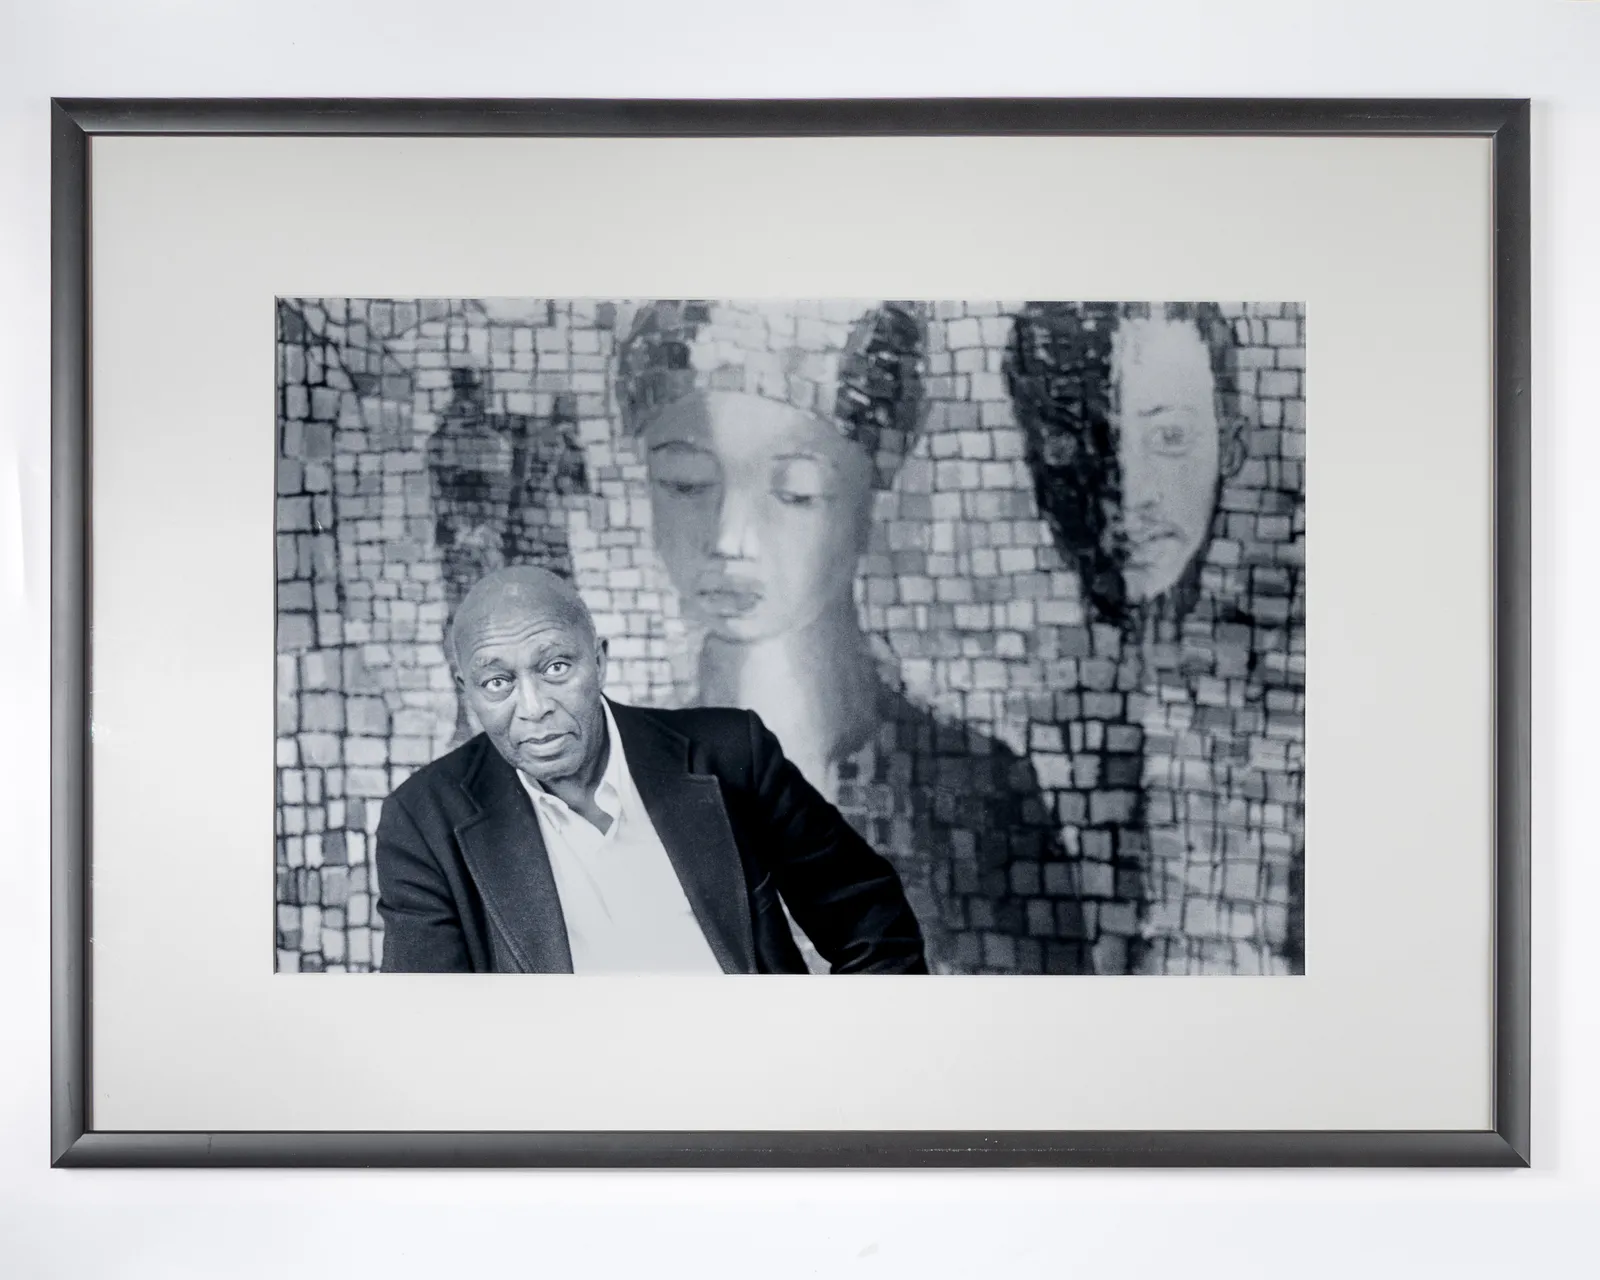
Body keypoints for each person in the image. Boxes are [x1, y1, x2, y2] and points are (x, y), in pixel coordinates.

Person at [616, 301, 1086, 974]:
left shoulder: (979, 795)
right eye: (686, 484)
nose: (728, 540)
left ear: (870, 496)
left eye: (795, 491)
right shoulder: (614, 781)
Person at [373, 564, 928, 974]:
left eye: (557, 666)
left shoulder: (733, 753)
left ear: (601, 661)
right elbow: (434, 1030)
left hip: (752, 1097)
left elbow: (872, 922)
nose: (534, 705)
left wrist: (848, 1071)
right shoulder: (423, 822)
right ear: (466, 692)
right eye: (498, 682)